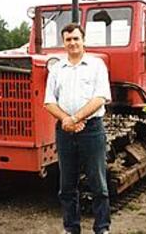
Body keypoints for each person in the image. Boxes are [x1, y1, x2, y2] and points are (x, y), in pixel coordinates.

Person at [44, 23, 111, 234]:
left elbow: (100, 97)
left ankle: (102, 228)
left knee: (98, 183)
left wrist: (75, 118)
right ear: (63, 43)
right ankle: (71, 228)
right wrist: (67, 120)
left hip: (91, 129)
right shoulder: (56, 69)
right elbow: (48, 101)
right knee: (67, 185)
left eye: (76, 38)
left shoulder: (96, 65)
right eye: (68, 39)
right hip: (65, 131)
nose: (72, 43)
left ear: (83, 40)